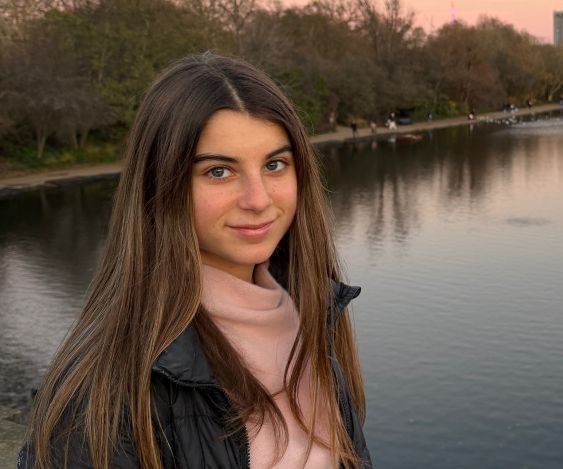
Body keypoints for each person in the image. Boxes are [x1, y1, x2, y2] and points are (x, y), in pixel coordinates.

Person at [19, 52, 371, 469]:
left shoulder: (313, 313)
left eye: (275, 165)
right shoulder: (105, 393)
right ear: (161, 185)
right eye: (219, 172)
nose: (258, 199)